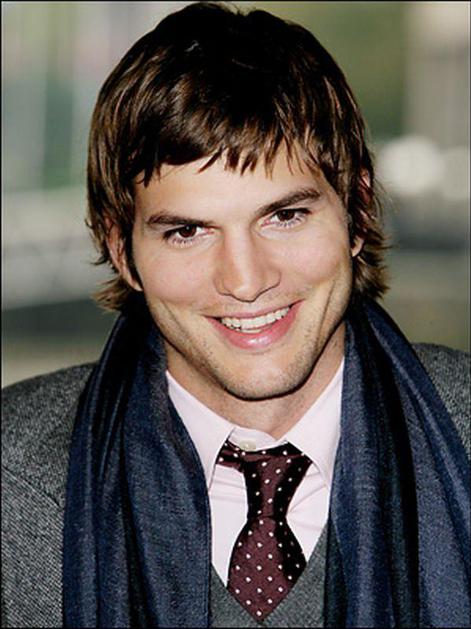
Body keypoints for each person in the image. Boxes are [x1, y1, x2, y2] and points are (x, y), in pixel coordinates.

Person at [2, 2, 469, 627]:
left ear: (358, 212)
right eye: (188, 231)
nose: (246, 281)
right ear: (121, 251)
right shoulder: (12, 482)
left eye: (285, 216)